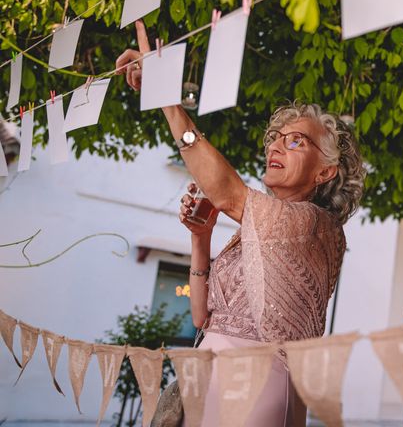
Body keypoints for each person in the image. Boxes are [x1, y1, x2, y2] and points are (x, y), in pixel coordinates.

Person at [115, 21, 366, 426]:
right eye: (275, 139)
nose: (276, 146)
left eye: (296, 140)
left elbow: (226, 192)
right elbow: (200, 317)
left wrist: (166, 97)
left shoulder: (315, 225)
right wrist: (201, 236)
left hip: (258, 386)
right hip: (206, 381)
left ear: (325, 172)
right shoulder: (259, 225)